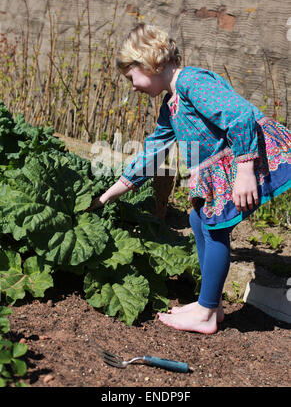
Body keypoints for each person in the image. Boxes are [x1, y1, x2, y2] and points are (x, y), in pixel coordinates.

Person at [89, 23, 291, 334]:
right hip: (226, 164)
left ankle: (207, 312)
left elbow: (239, 115)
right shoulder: (172, 104)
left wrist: (247, 169)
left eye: (131, 77)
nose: (132, 86)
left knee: (214, 226)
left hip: (246, 156)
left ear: (146, 62)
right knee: (199, 220)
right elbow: (153, 151)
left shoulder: (192, 82)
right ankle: (210, 304)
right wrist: (109, 194)